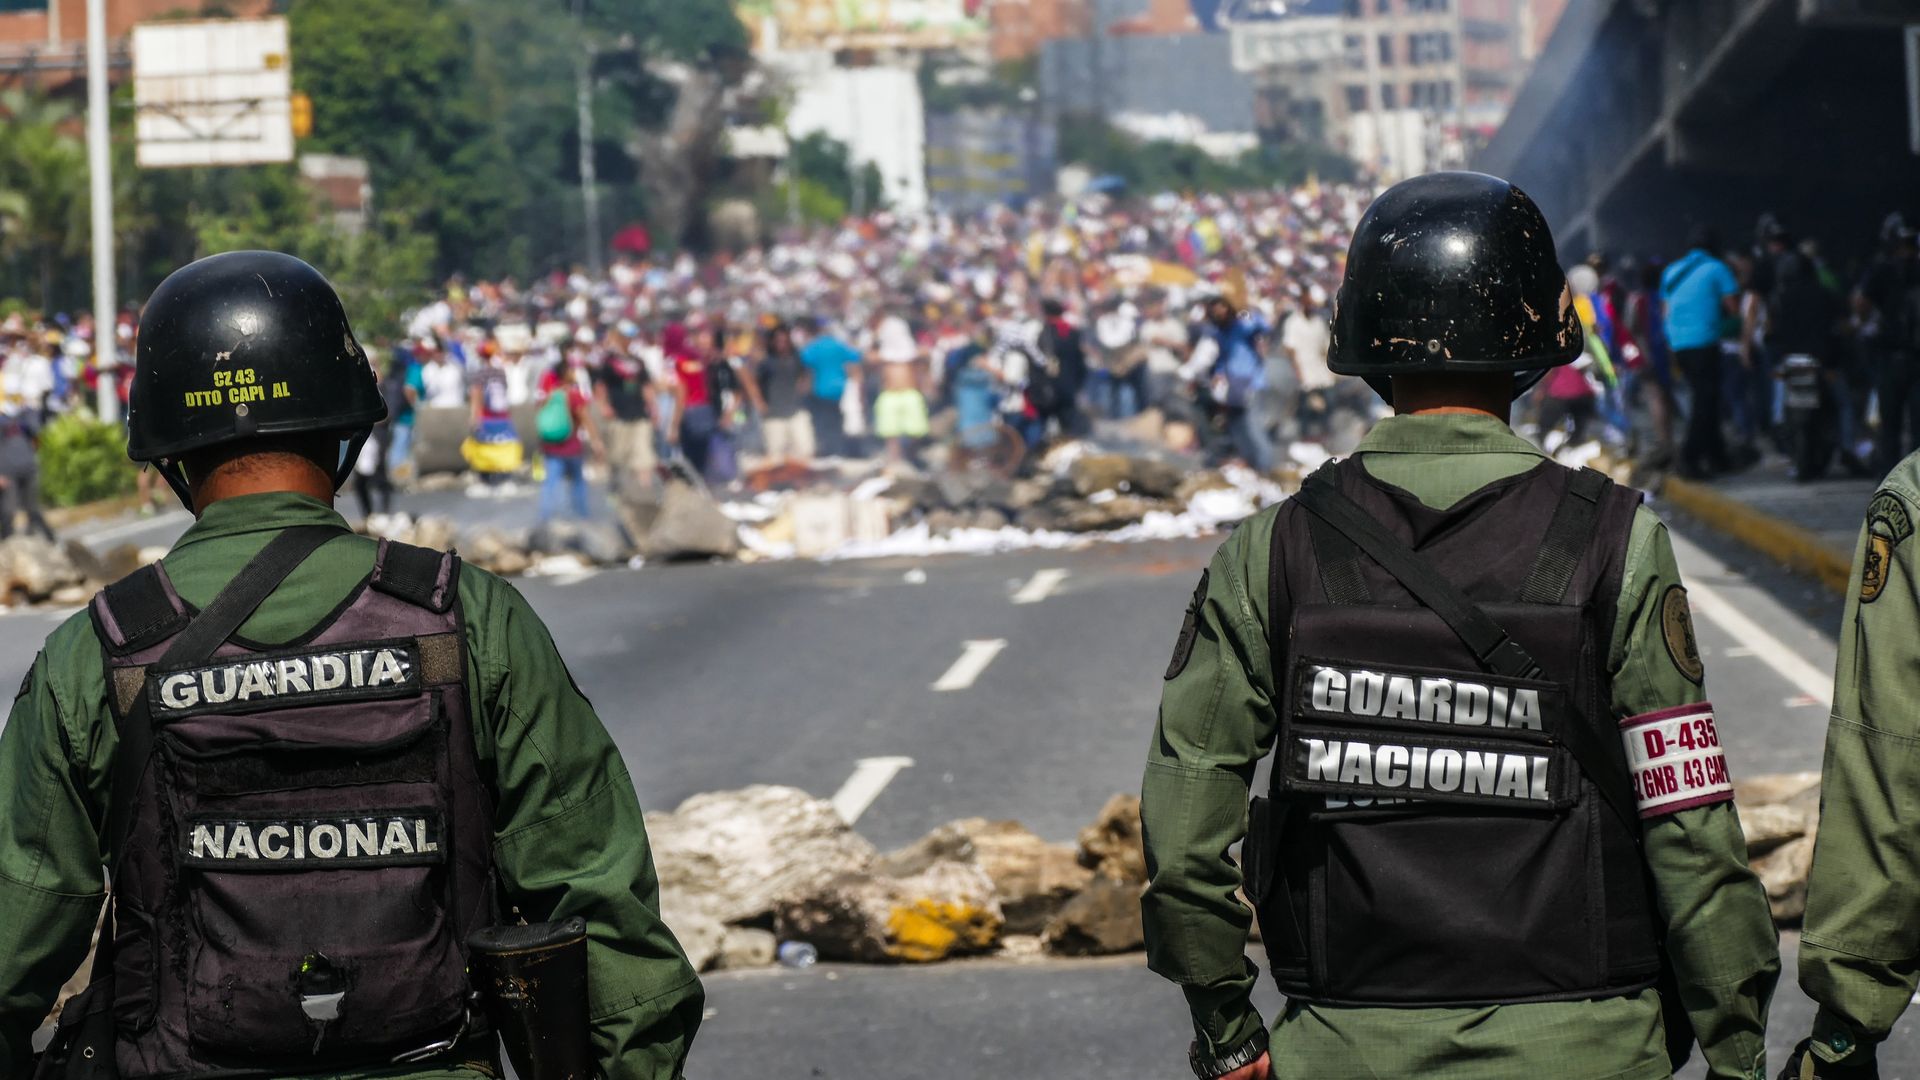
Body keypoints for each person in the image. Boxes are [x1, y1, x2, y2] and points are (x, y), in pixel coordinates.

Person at [0, 250, 701, 1076]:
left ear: (167, 455)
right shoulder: (465, 620)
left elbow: (16, 939)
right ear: (346, 429)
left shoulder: (99, 653)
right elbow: (599, 907)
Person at [1141, 173, 1778, 1080]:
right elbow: (1689, 821)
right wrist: (1738, 1046)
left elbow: (1184, 823)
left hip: (1346, 1046)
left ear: (1363, 338)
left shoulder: (1271, 550)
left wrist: (1225, 1023)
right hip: (1593, 1047)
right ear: (1537, 340)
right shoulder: (1616, 540)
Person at [1660, 226, 1742, 478]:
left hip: (1678, 344)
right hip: (1705, 341)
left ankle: (1718, 457)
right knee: (1705, 401)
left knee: (1707, 397)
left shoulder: (1672, 271)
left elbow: (1665, 311)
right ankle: (1690, 457)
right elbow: (1733, 307)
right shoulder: (1718, 268)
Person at [1859, 214, 1920, 472]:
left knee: (1890, 427)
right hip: (1917, 356)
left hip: (1890, 358)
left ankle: (1891, 482)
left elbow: (1861, 305)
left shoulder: (1881, 268)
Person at [1192, 293, 1275, 471]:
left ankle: (1266, 467)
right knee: (1237, 428)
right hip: (1233, 385)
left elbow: (1264, 327)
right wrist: (1219, 374)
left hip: (1251, 382)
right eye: (1214, 310)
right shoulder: (1220, 333)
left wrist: (1249, 310)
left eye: (1221, 307)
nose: (1218, 312)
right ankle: (1252, 465)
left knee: (1253, 428)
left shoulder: (1242, 326)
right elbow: (1223, 358)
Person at [536, 353, 602, 522]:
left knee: (550, 484)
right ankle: (582, 516)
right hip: (571, 447)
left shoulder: (549, 395)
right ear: (566, 373)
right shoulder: (573, 395)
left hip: (551, 447)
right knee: (578, 483)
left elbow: (540, 418)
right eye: (572, 369)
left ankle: (546, 518)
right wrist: (596, 441)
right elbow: (585, 418)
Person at [757, 319, 815, 466]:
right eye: (777, 341)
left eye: (784, 341)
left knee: (805, 450)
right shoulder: (766, 363)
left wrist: (805, 387)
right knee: (775, 455)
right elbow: (755, 383)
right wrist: (760, 403)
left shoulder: (796, 359)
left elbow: (806, 374)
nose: (781, 344)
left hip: (795, 410)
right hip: (774, 413)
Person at [800, 321, 860, 458]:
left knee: (823, 423)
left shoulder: (814, 347)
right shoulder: (840, 345)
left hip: (820, 390)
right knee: (838, 421)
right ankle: (838, 450)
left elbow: (805, 367)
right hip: (840, 389)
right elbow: (855, 358)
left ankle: (827, 450)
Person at [0, 398, 53, 541]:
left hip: (28, 468)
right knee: (7, 512)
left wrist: (28, 408)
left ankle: (51, 541)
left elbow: (36, 431)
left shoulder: (23, 416)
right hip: (7, 473)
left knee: (33, 509)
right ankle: (6, 547)